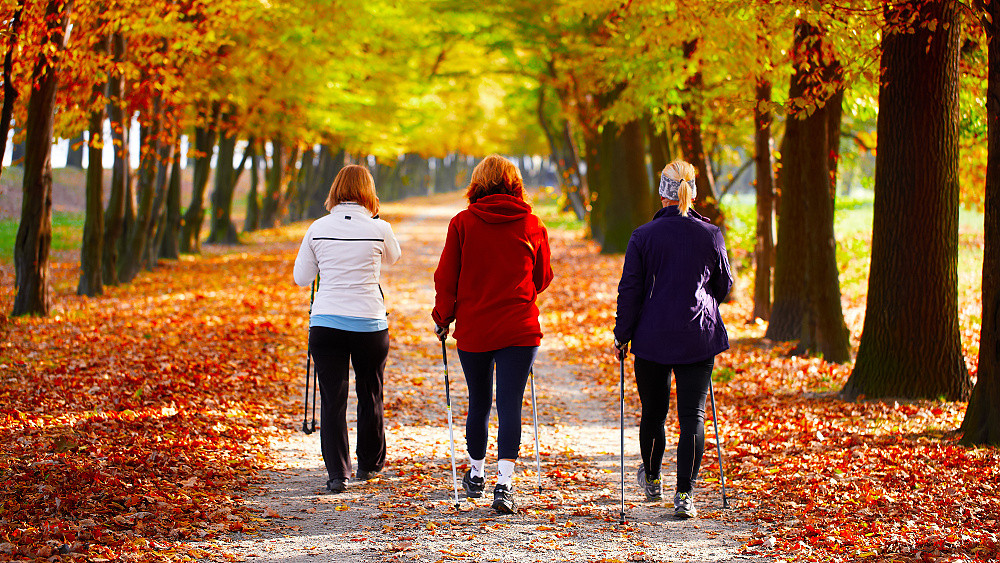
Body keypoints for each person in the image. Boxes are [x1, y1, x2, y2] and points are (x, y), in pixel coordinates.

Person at [432, 154, 553, 514]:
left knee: (479, 400)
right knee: (510, 402)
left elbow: (446, 278)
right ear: (515, 184)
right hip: (520, 327)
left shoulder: (463, 223)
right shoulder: (532, 224)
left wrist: (443, 317)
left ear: (478, 183)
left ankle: (477, 474)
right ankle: (505, 483)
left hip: (475, 328)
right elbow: (543, 277)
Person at [612, 159, 732, 519]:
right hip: (698, 334)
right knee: (692, 414)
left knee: (653, 411)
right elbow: (723, 285)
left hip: (652, 338)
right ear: (692, 192)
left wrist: (622, 334)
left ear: (661, 192)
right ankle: (685, 495)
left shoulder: (643, 236)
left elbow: (630, 290)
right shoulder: (710, 234)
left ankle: (651, 478)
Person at [293, 164, 402, 493]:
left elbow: (301, 279)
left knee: (333, 399)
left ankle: (337, 474)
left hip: (327, 322)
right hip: (369, 322)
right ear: (369, 192)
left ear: (335, 190)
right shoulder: (379, 228)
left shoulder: (317, 228)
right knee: (371, 393)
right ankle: (369, 465)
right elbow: (393, 259)